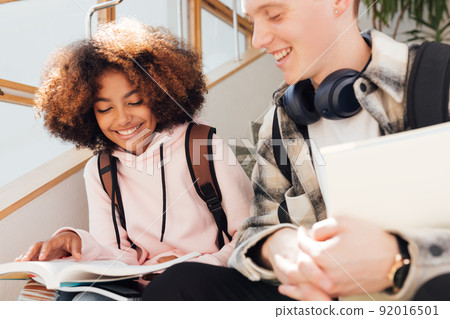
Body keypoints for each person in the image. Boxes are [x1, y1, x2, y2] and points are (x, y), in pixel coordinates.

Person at [140, 0, 450, 301]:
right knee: (180, 285)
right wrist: (279, 247)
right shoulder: (282, 119)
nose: (258, 38)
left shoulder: (439, 81)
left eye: (274, 14)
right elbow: (255, 229)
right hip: (321, 301)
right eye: (252, 20)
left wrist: (399, 260)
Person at [15, 18, 253, 300]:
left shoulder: (203, 145)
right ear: (89, 115)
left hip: (205, 282)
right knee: (63, 299)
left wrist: (197, 266)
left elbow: (250, 234)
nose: (122, 119)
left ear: (159, 94)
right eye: (105, 108)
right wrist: (76, 240)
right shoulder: (101, 170)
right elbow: (117, 256)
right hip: (140, 291)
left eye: (135, 102)